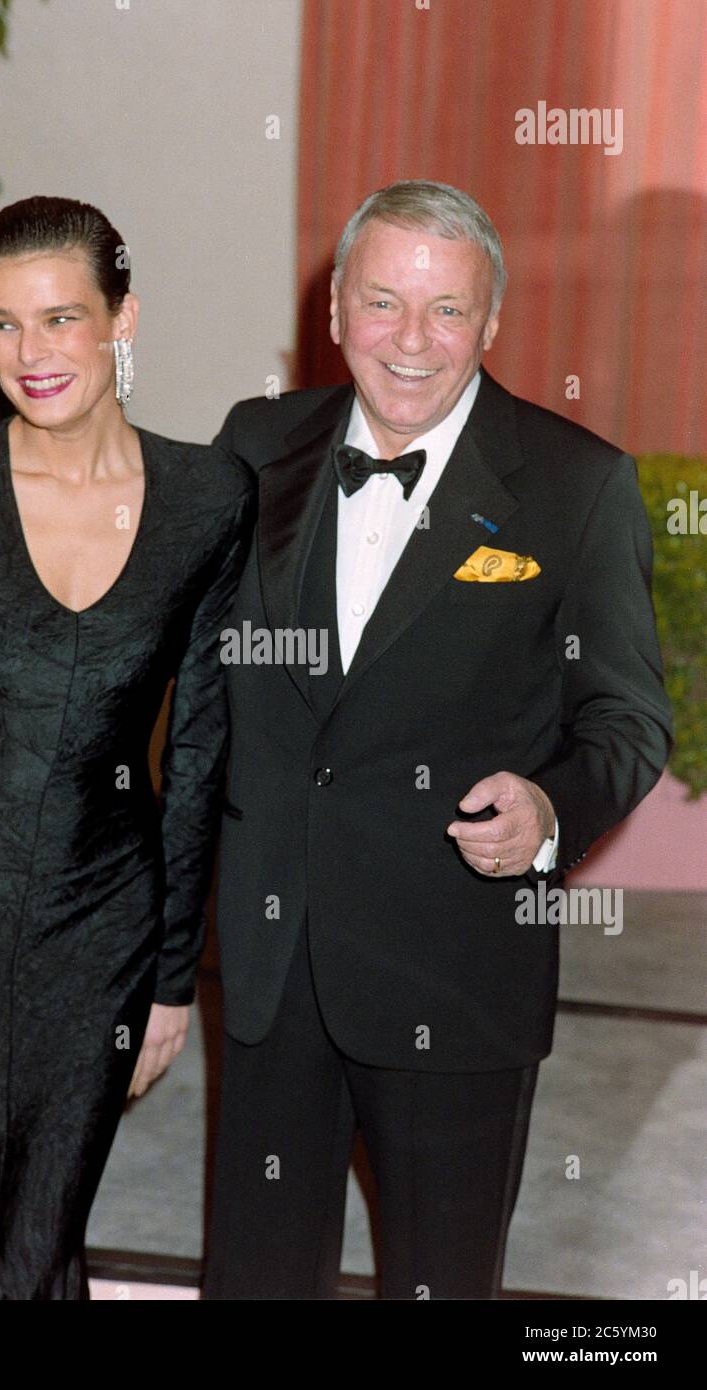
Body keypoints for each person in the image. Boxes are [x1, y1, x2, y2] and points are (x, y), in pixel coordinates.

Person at [199, 181, 673, 1299]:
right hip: (275, 959)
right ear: (334, 311)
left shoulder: (576, 484)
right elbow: (162, 639)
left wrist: (551, 809)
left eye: (446, 311)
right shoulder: (252, 443)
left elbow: (626, 717)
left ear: (491, 321)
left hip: (451, 968)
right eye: (381, 303)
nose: (410, 342)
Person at [0, 195, 255, 1300]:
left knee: (39, 1240)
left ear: (123, 318)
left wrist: (173, 977)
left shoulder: (210, 498)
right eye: (2, 325)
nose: (29, 355)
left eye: (60, 318)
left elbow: (202, 749)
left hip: (102, 927)